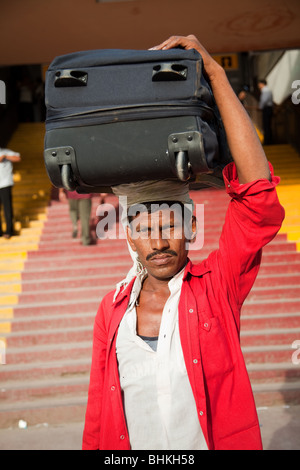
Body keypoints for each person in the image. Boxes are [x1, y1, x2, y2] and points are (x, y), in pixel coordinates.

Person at [82, 35, 285, 451]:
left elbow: (258, 197)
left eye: (169, 224)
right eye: (143, 228)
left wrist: (214, 72)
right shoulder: (111, 311)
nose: (157, 240)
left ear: (192, 228)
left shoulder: (216, 287)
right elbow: (98, 414)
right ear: (129, 239)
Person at [0, 147, 21, 239]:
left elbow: (18, 158)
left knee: (7, 208)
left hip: (5, 183)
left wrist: (5, 156)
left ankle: (9, 230)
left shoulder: (5, 152)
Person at [258, 79, 273, 145]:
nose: (258, 86)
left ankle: (268, 141)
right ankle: (269, 140)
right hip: (268, 109)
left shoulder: (265, 90)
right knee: (267, 125)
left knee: (266, 125)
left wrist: (260, 107)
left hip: (267, 109)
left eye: (259, 84)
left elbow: (264, 100)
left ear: (262, 84)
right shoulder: (267, 90)